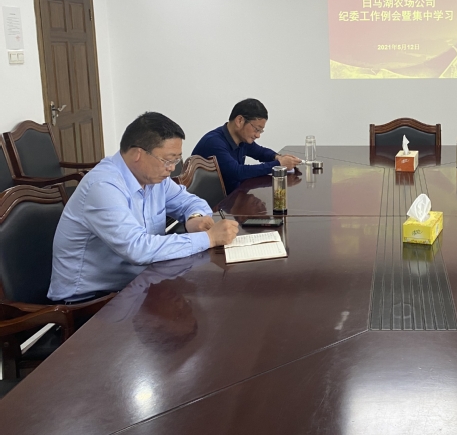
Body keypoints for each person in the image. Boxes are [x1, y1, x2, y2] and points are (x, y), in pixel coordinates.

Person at [48, 112, 239, 303]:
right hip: (89, 301)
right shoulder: (103, 186)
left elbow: (190, 202)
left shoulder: (155, 179)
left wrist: (194, 218)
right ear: (138, 154)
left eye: (176, 160)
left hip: (139, 283)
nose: (172, 168)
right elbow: (137, 248)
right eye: (168, 160)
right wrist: (209, 238)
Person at [192, 98, 301, 194]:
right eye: (256, 129)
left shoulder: (241, 139)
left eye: (260, 131)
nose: (258, 135)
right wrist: (279, 164)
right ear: (239, 121)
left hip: (232, 198)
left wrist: (278, 157)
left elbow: (261, 152)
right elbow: (237, 172)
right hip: (213, 205)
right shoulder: (214, 142)